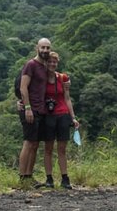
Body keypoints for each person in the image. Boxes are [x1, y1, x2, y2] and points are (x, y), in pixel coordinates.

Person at [40, 51, 80, 189]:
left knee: (62, 148)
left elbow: (67, 98)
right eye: (49, 61)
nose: (52, 64)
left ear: (57, 63)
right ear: (46, 63)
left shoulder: (63, 78)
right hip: (48, 115)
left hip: (62, 114)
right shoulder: (41, 78)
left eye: (54, 62)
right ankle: (49, 178)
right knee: (48, 148)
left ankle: (65, 178)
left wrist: (73, 117)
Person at [18, 38, 51, 186]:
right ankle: (22, 178)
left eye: (47, 48)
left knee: (35, 144)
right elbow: (23, 87)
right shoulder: (30, 65)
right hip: (30, 109)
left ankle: (29, 176)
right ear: (36, 48)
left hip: (41, 110)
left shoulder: (44, 66)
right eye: (42, 47)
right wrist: (27, 107)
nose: (45, 50)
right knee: (28, 142)